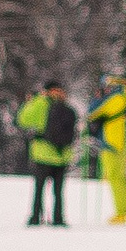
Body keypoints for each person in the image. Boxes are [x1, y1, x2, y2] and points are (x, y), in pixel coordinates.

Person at [17, 81, 78, 227]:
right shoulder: (67, 108)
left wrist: (34, 100)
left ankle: (35, 217)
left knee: (39, 189)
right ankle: (58, 218)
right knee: (58, 191)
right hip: (62, 155)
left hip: (42, 153)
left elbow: (23, 120)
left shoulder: (41, 103)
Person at [87, 72, 126, 225]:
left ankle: (122, 213)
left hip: (113, 143)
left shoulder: (119, 98)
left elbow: (93, 112)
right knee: (121, 179)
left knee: (115, 179)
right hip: (123, 142)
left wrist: (98, 98)